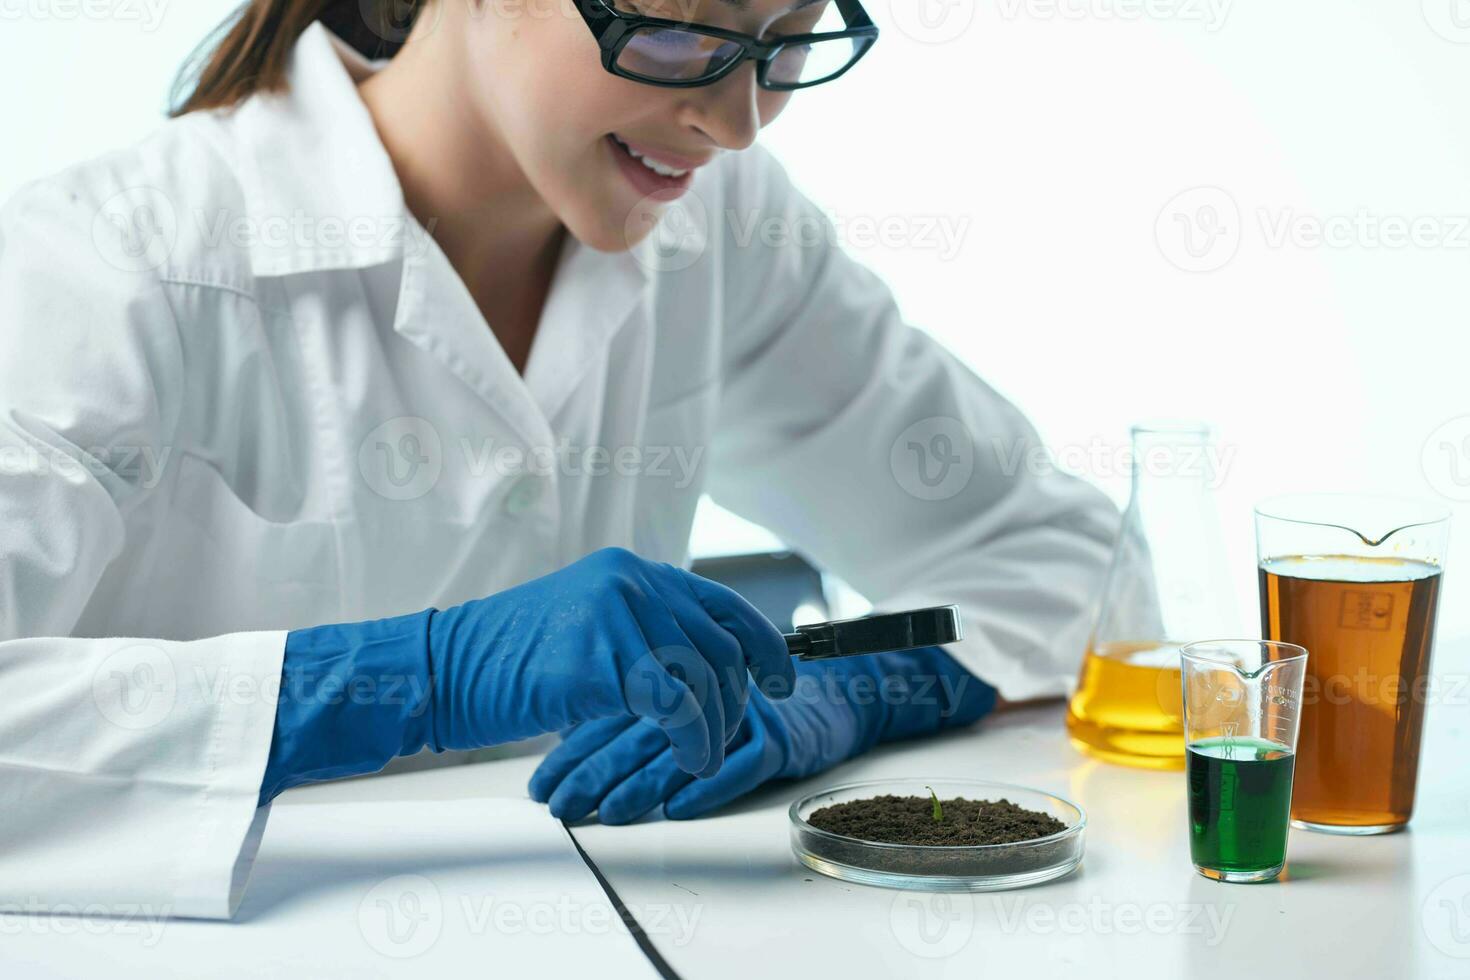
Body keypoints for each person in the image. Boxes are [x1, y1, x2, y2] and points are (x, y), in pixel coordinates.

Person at [0, 0, 1119, 919]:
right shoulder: (113, 266)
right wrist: (403, 679)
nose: (736, 126)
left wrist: (863, 686)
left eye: (786, 43)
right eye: (682, 35)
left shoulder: (726, 228)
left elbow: (1067, 561)